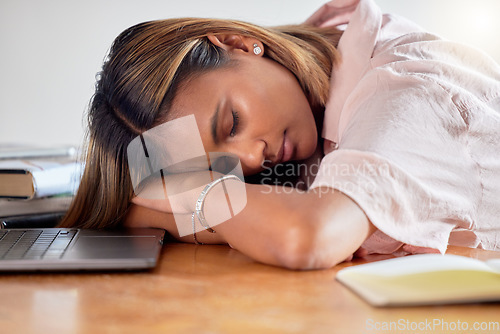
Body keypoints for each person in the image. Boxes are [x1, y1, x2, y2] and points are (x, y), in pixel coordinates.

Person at [60, 0, 500, 269]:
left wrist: (192, 195)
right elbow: (135, 216)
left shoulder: (407, 87)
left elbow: (307, 238)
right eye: (219, 164)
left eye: (232, 123)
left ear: (237, 43)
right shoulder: (302, 99)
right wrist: (164, 195)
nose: (250, 161)